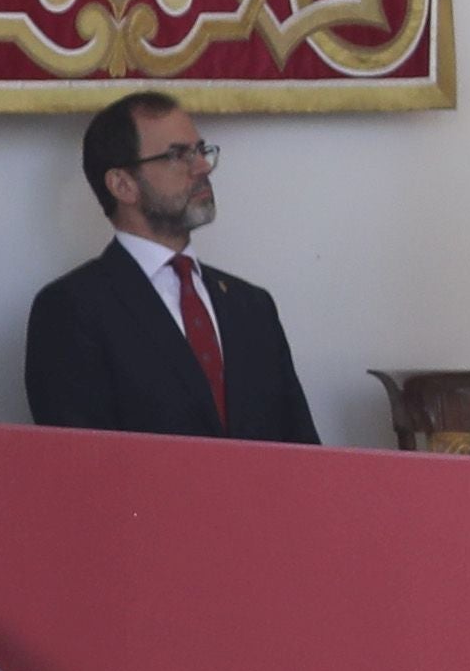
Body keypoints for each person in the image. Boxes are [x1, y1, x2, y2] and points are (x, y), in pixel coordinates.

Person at [24, 93, 322, 443]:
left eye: (200, 150)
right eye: (178, 155)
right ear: (123, 184)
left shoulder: (252, 306)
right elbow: (81, 467)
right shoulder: (71, 309)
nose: (202, 167)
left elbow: (303, 453)